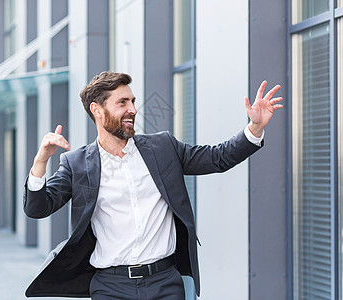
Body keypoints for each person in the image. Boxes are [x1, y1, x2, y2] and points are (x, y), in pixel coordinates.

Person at [23, 71, 283, 299]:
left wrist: (255, 127)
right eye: (122, 102)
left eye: (133, 101)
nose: (132, 109)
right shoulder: (77, 164)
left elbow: (218, 158)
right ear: (97, 110)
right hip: (110, 286)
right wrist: (40, 162)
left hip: (164, 283)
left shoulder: (163, 148)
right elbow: (38, 208)